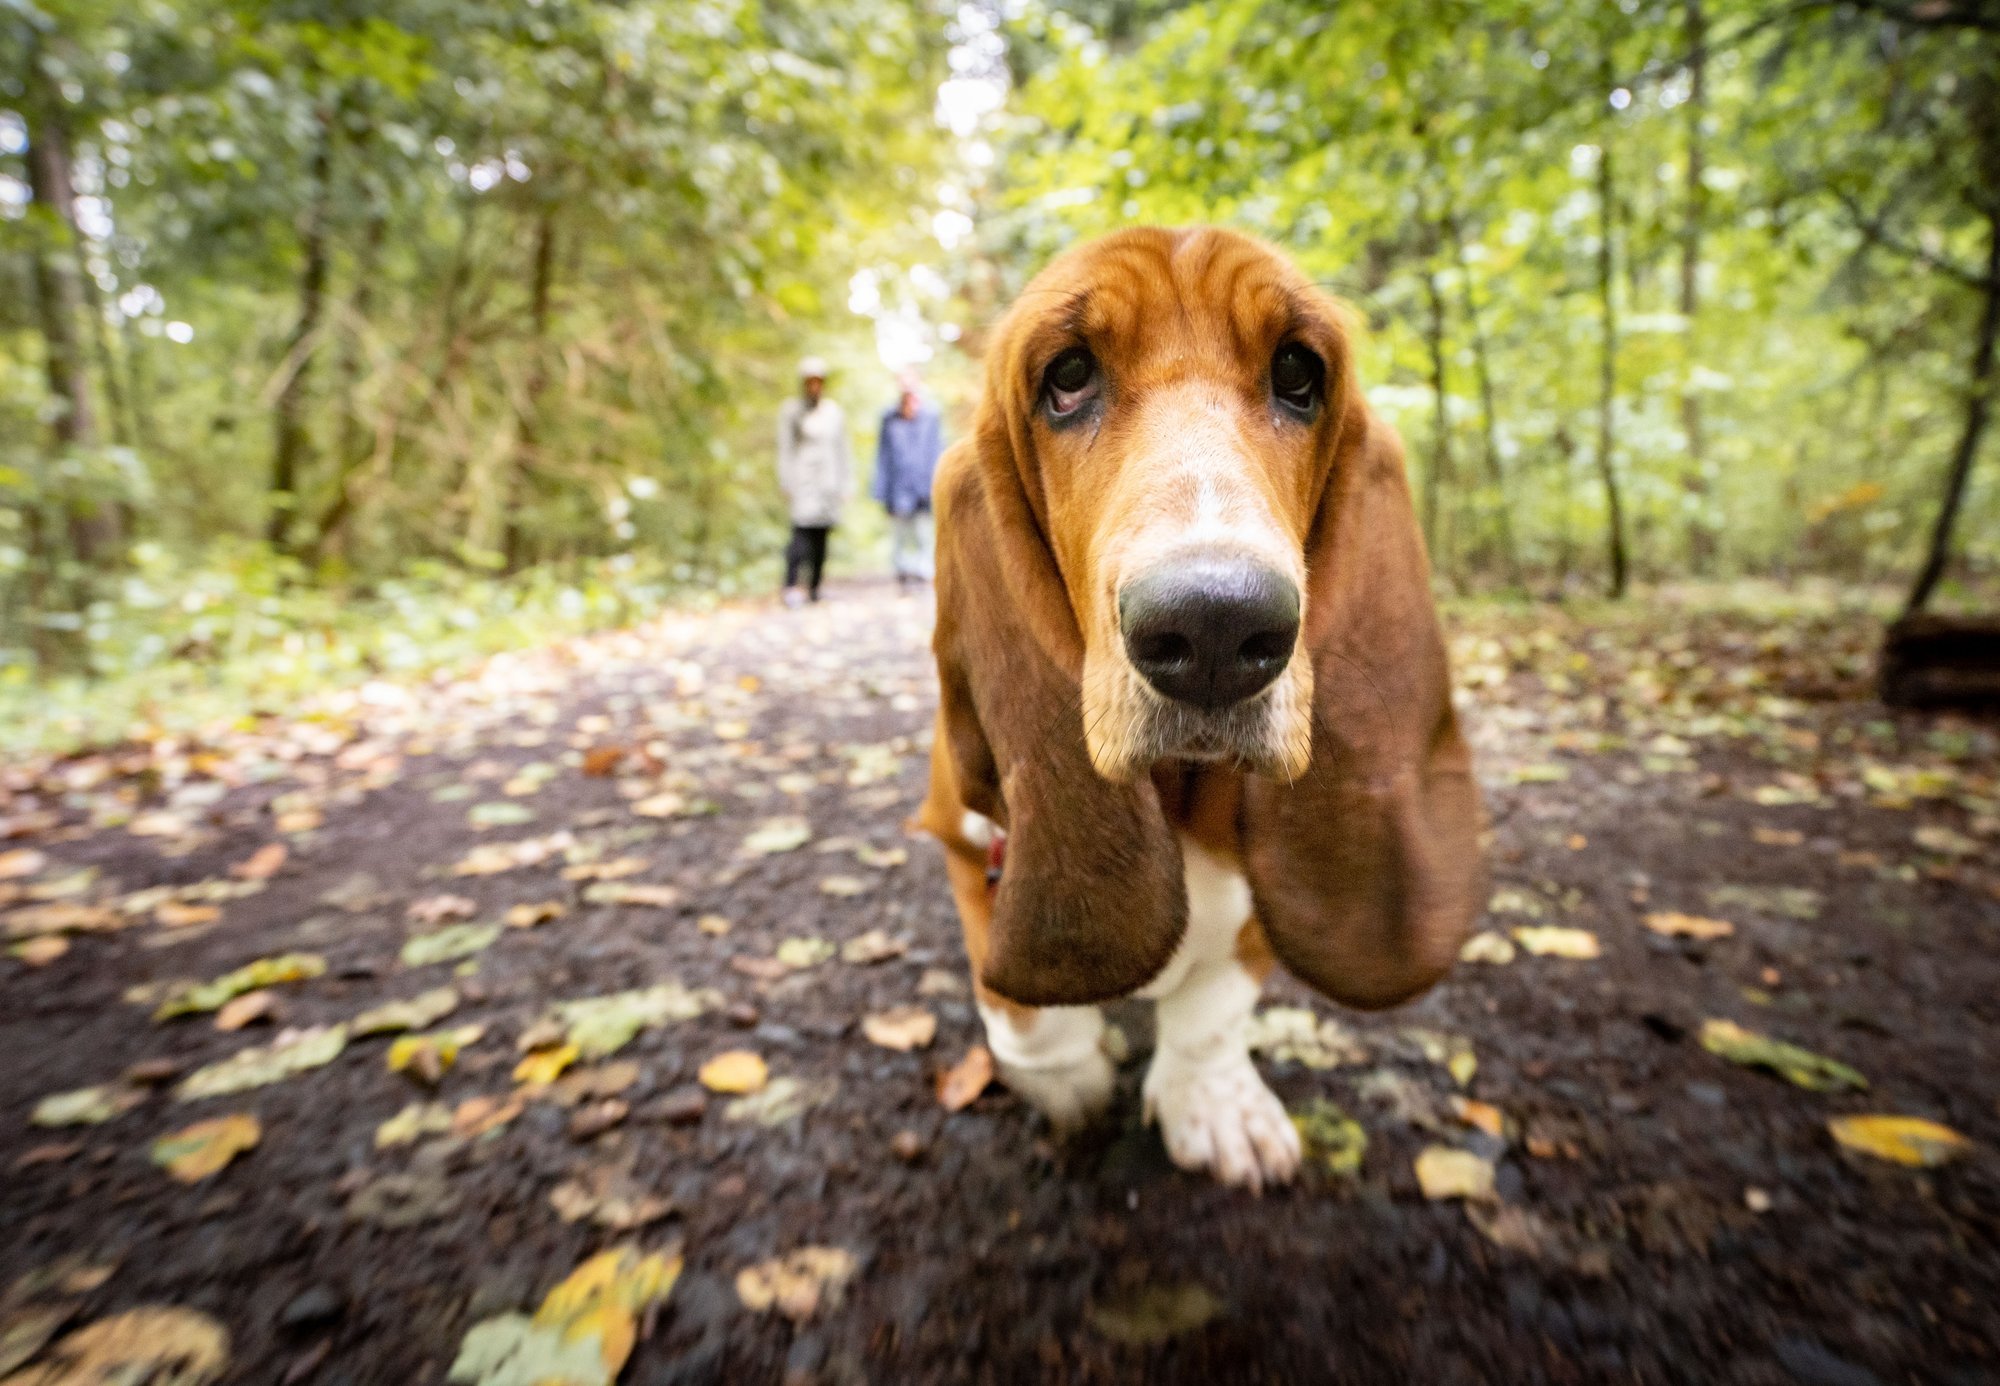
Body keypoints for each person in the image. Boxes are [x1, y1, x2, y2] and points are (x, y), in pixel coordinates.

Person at [776, 355, 851, 606]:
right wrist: (786, 481)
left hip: (827, 482)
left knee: (822, 535)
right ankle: (790, 586)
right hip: (803, 482)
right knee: (800, 534)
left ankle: (815, 587)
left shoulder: (833, 412)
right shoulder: (792, 411)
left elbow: (842, 450)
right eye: (810, 381)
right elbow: (785, 449)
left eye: (818, 381)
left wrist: (845, 482)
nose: (814, 386)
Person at [873, 371, 941, 587]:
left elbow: (937, 449)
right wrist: (881, 490)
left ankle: (922, 573)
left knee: (923, 533)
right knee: (900, 535)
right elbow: (883, 455)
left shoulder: (931, 415)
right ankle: (902, 573)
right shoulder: (889, 417)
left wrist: (937, 483)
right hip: (898, 487)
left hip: (924, 485)